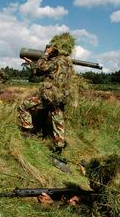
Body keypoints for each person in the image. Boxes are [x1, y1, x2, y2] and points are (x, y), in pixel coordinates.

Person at [18, 32, 75, 169]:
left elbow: (43, 66)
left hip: (50, 95)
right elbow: (40, 71)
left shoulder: (56, 61)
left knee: (24, 105)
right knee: (57, 118)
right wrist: (32, 64)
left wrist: (45, 54)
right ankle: (59, 146)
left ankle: (27, 131)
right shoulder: (68, 63)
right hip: (61, 96)